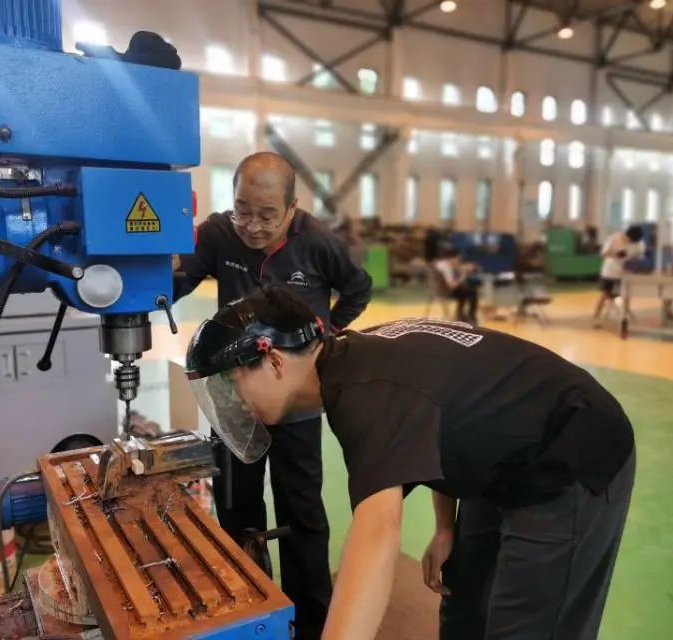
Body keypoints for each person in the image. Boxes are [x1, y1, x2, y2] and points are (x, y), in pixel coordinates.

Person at [185, 286, 636, 640]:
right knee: (463, 607)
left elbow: (376, 536)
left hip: (570, 452)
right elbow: (444, 416)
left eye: (232, 382)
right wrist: (445, 527)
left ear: (274, 361)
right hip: (502, 454)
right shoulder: (352, 357)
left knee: (529, 626)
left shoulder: (364, 395)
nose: (233, 400)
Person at [173, 152, 372, 639]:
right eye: (243, 210)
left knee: (301, 511)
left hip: (295, 403)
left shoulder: (319, 243)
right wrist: (145, 277)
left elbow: (358, 289)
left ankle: (311, 622)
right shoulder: (218, 234)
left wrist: (323, 333)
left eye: (267, 215)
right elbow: (177, 282)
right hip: (236, 399)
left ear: (292, 209)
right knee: (236, 509)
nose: (252, 226)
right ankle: (248, 611)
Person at [593, 224, 644, 327]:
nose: (631, 242)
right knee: (605, 294)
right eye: (630, 240)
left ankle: (626, 313)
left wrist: (636, 261)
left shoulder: (637, 243)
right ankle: (596, 317)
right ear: (627, 235)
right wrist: (615, 254)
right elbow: (603, 254)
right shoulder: (614, 238)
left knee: (627, 293)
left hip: (625, 273)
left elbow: (638, 254)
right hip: (610, 272)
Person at [431, 247, 480, 323]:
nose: (459, 261)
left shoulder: (441, 264)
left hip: (439, 289)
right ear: (451, 258)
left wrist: (464, 268)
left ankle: (461, 314)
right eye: (458, 259)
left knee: (465, 290)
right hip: (445, 292)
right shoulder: (446, 268)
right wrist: (463, 275)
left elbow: (456, 268)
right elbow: (452, 286)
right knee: (472, 292)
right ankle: (470, 314)